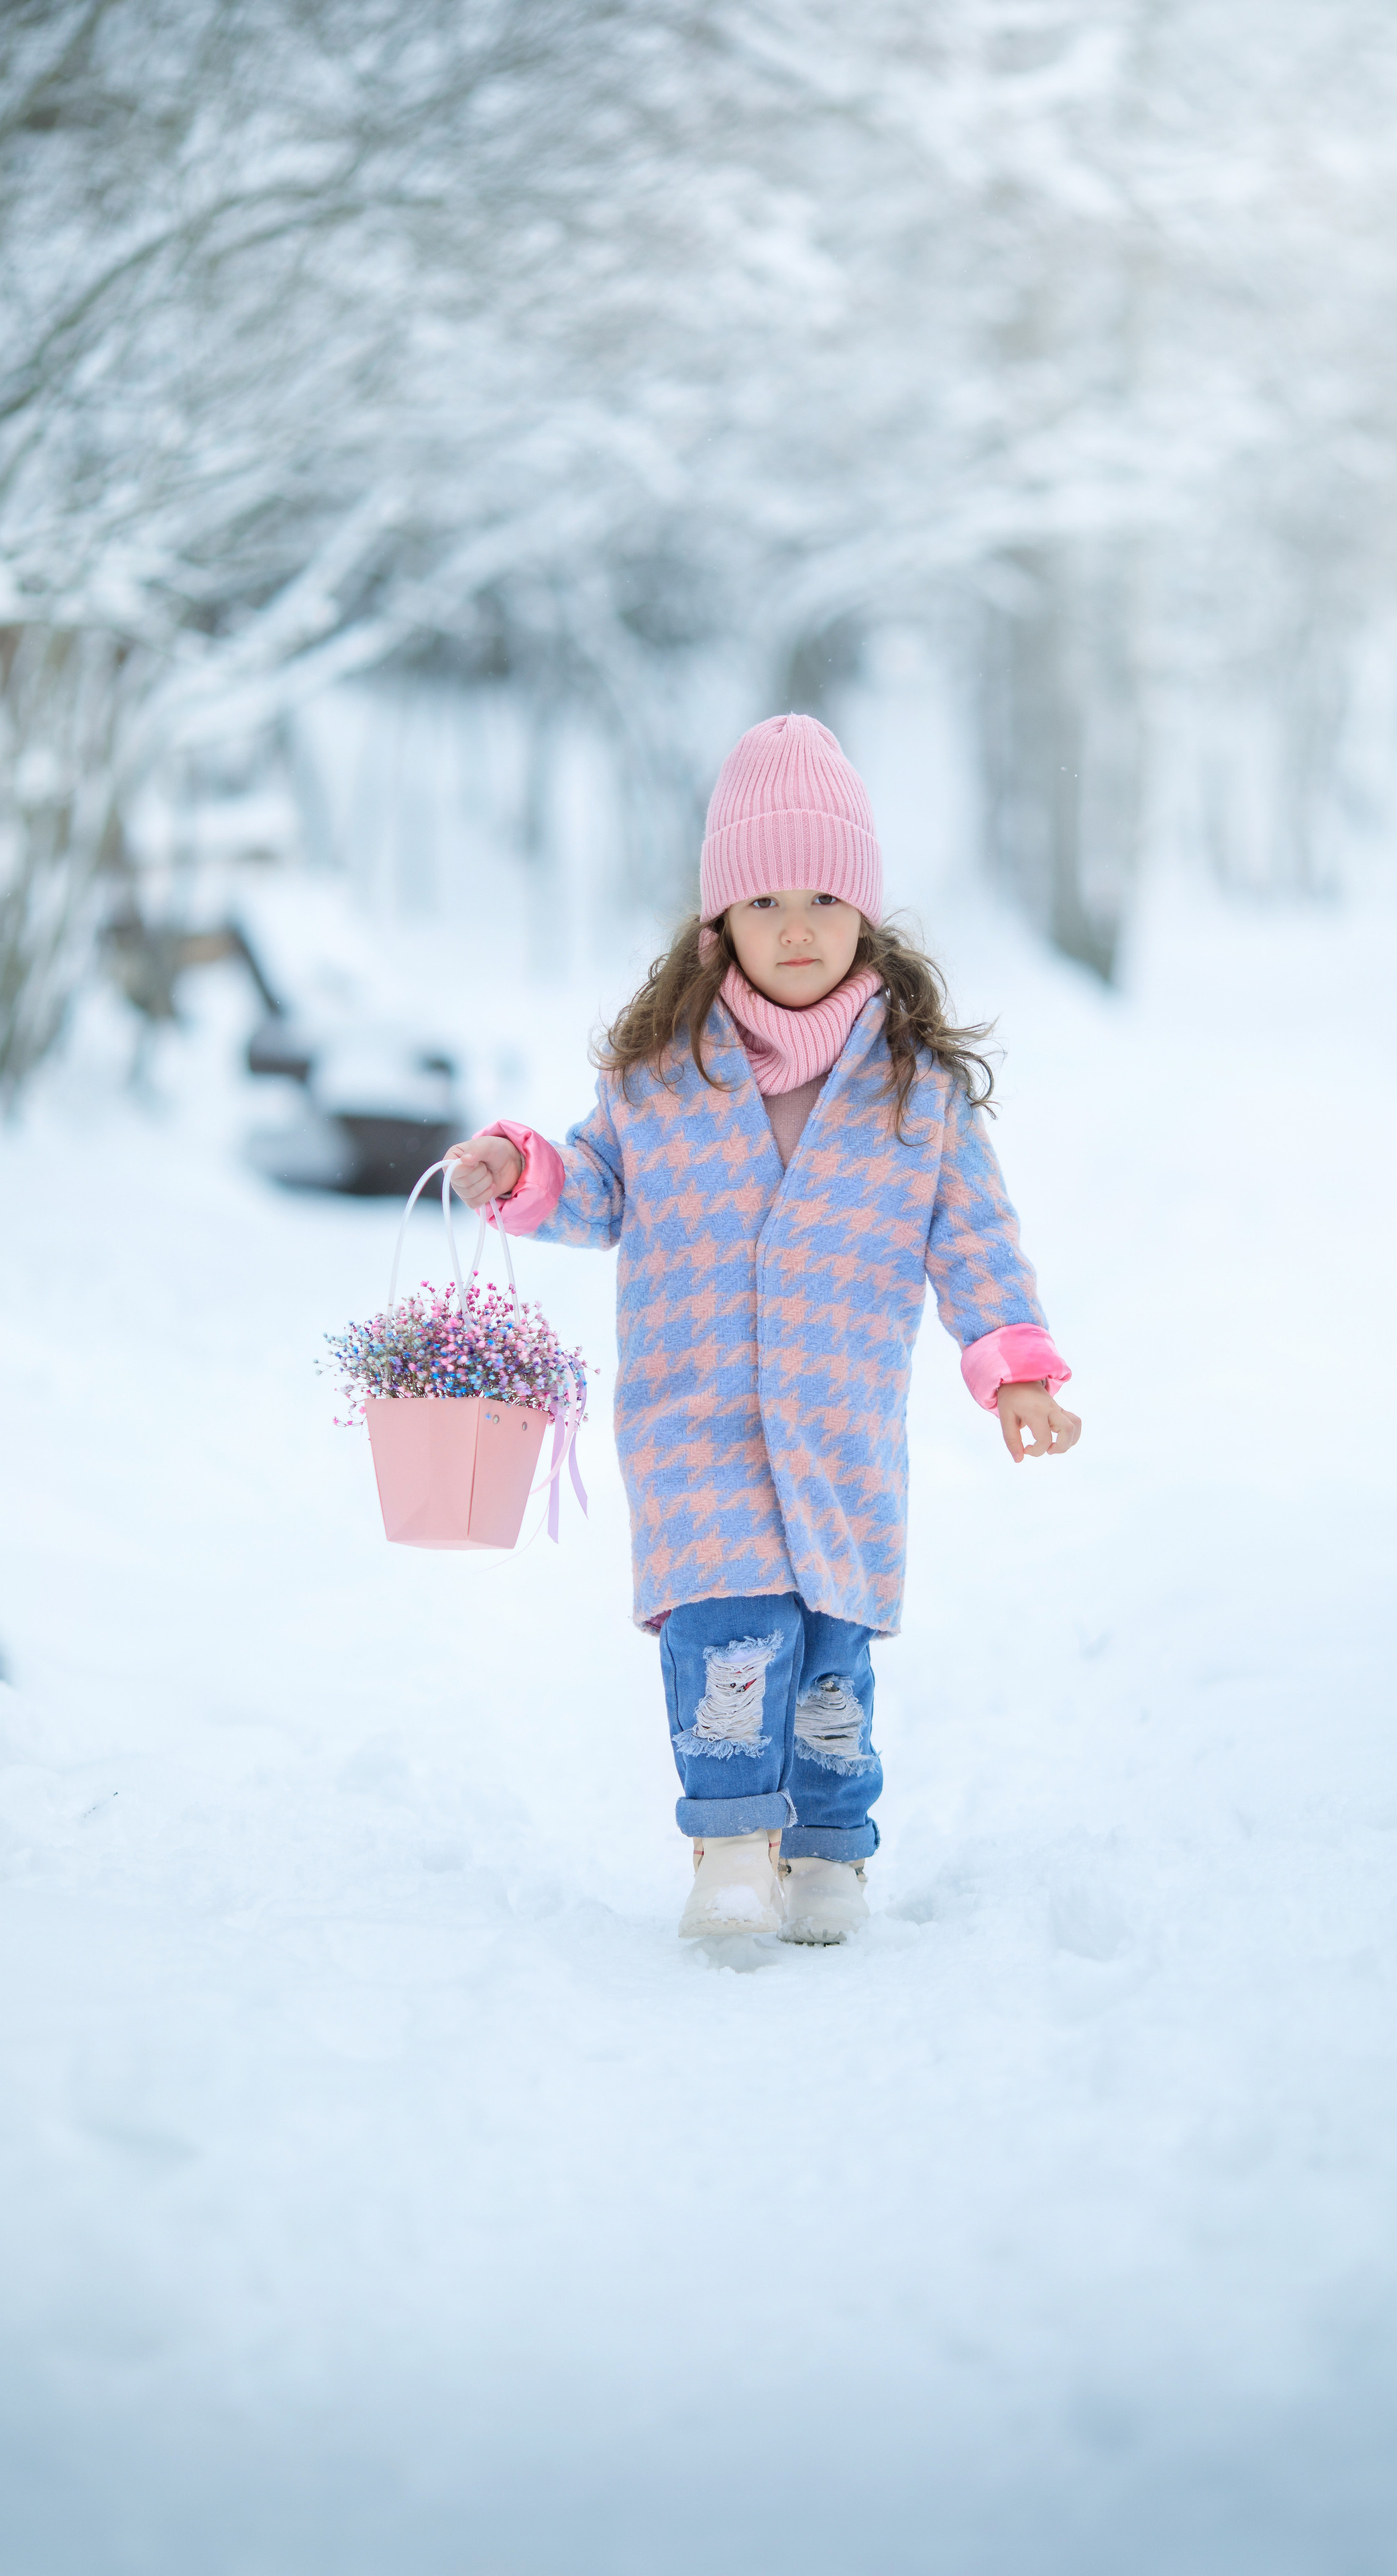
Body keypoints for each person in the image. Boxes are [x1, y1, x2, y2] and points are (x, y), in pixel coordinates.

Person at [447, 713, 1080, 1944]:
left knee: (830, 1664)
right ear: (719, 922)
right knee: (729, 1648)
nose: (798, 929)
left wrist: (1015, 1370)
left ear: (868, 920)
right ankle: (731, 1850)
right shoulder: (660, 1078)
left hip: (839, 1430)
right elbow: (595, 1184)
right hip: (698, 1427)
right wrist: (519, 1171)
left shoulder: (914, 1096)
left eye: (827, 899)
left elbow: (979, 1244)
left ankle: (830, 1848)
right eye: (768, 901)